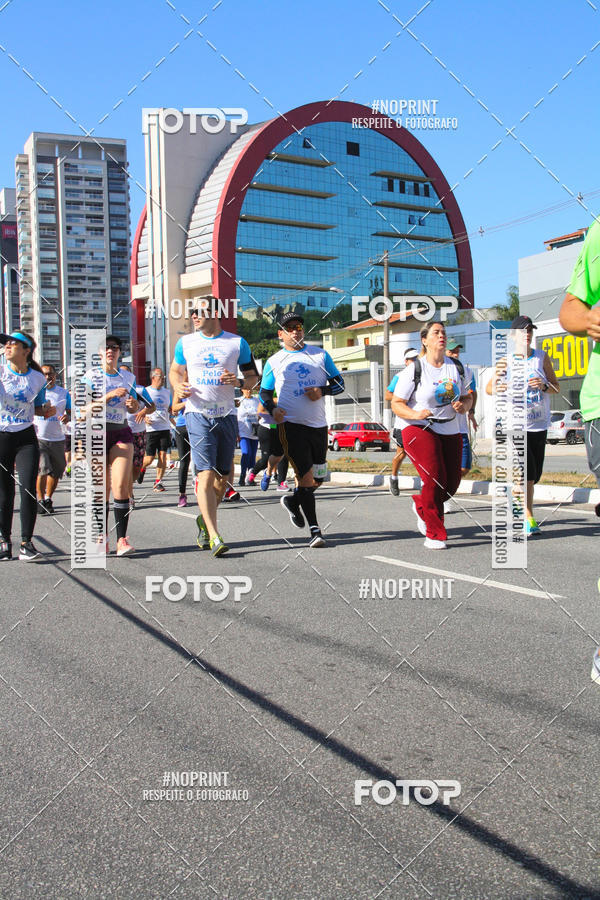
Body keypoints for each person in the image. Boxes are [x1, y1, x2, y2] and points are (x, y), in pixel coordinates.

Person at [169, 298, 259, 556]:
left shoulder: (236, 343)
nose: (195, 315)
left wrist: (239, 380)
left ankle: (203, 521)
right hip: (197, 415)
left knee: (223, 479)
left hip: (227, 416)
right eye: (192, 311)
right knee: (205, 475)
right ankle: (215, 535)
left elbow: (253, 378)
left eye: (199, 311)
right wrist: (177, 385)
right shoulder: (185, 343)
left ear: (215, 313)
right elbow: (175, 371)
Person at [260, 311, 344, 548]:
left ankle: (293, 501)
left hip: (318, 425)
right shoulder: (274, 361)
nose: (295, 330)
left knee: (317, 479)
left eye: (298, 326)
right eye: (290, 327)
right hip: (290, 425)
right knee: (304, 477)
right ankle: (316, 531)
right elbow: (264, 393)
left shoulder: (320, 355)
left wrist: (322, 391)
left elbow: (339, 385)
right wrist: (272, 409)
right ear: (281, 334)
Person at [391, 321, 473, 549]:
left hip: (449, 425)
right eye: (436, 333)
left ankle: (421, 505)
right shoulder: (414, 370)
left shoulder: (457, 368)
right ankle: (435, 534)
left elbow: (468, 396)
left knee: (451, 483)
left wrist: (464, 406)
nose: (442, 336)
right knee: (434, 476)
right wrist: (416, 414)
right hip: (417, 427)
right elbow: (397, 404)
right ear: (425, 340)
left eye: (444, 332)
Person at [486, 316, 559, 535]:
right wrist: (499, 386)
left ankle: (516, 494)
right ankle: (529, 519)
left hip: (539, 423)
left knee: (535, 476)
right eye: (523, 331)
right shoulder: (505, 361)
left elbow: (556, 387)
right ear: (513, 335)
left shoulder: (541, 358)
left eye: (530, 331)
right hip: (516, 423)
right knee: (527, 472)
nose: (527, 335)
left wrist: (544, 385)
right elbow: (489, 388)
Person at [83, 335, 142, 556]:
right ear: (100, 352)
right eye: (106, 348)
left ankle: (121, 540)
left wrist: (133, 404)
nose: (111, 351)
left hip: (121, 431)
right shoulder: (91, 376)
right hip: (97, 433)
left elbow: (134, 408)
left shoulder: (128, 377)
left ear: (119, 352)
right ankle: (101, 537)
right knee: (101, 489)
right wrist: (107, 396)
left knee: (119, 486)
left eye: (115, 348)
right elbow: (83, 410)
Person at [0, 331, 54, 561]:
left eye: (13, 343)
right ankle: (4, 541)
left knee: (28, 489)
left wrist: (47, 410)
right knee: (4, 492)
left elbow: (40, 407)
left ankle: (26, 543)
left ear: (26, 350)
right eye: (5, 343)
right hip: (2, 435)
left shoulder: (38, 378)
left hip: (26, 436)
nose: (7, 346)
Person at [34, 364, 71, 515]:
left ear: (55, 375)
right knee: (43, 469)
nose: (48, 377)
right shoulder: (36, 392)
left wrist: (67, 417)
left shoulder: (63, 393)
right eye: (44, 374)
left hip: (58, 438)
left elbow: (70, 412)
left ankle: (48, 498)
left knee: (56, 472)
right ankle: (41, 500)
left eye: (50, 374)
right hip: (39, 437)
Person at [120, 365, 155, 508]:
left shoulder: (140, 390)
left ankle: (131, 482)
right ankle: (130, 495)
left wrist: (144, 412)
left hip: (139, 432)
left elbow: (152, 406)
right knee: (126, 466)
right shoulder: (114, 389)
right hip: (122, 432)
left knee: (136, 467)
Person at [386, 348, 419, 497]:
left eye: (417, 359)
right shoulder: (400, 376)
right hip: (403, 422)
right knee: (402, 453)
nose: (415, 362)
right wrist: (402, 398)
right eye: (412, 360)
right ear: (406, 362)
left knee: (422, 454)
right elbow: (388, 394)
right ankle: (393, 477)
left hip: (420, 422)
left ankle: (426, 484)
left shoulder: (425, 375)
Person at [141, 368, 172, 493]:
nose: (163, 379)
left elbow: (169, 407)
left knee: (163, 455)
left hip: (164, 427)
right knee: (149, 458)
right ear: (153, 378)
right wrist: (144, 417)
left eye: (164, 377)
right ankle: (141, 469)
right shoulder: (146, 391)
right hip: (151, 429)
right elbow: (137, 408)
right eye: (161, 376)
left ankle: (158, 481)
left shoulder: (167, 392)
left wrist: (172, 410)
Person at [236, 386, 260, 486]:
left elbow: (261, 413)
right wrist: (236, 432)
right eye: (246, 389)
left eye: (250, 389)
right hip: (243, 431)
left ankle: (250, 478)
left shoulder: (256, 400)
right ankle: (242, 476)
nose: (249, 391)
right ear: (242, 390)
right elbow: (235, 416)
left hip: (254, 431)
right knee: (246, 452)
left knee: (253, 455)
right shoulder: (239, 401)